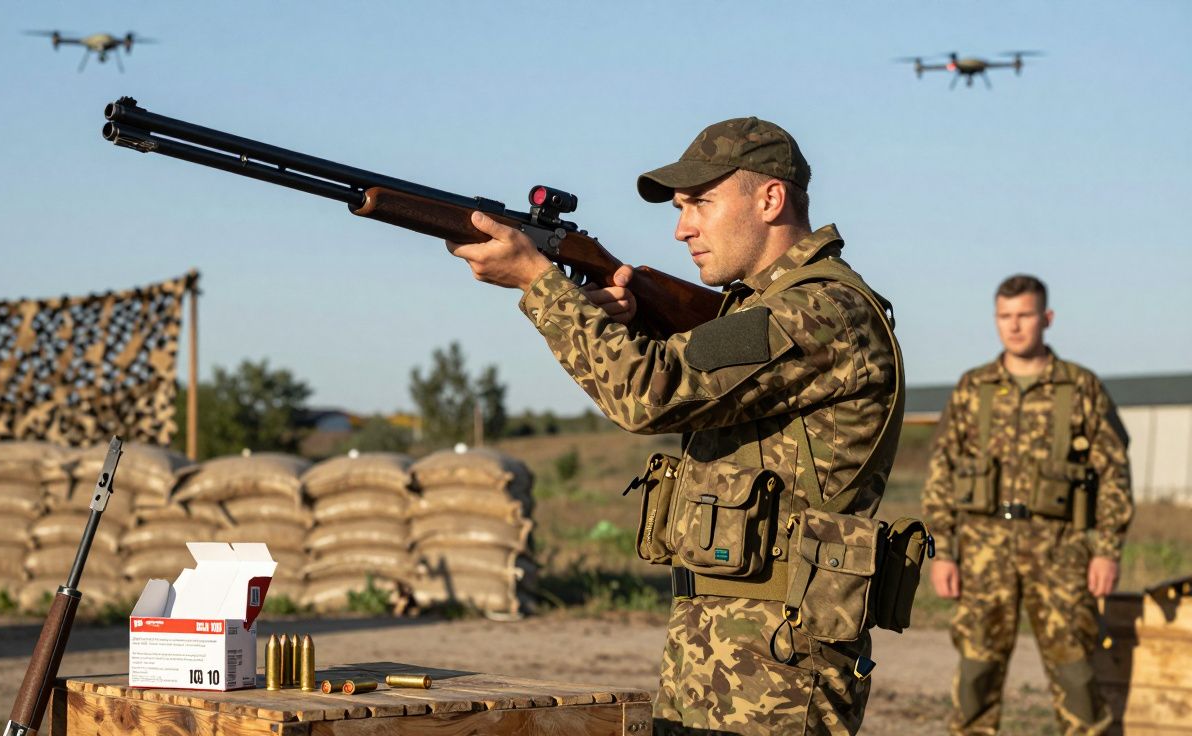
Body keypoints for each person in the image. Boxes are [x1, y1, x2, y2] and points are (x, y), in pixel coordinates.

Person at [446, 117, 903, 735]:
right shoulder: (762, 308)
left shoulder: (821, 309)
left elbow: (648, 394)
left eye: (701, 203)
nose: (682, 227)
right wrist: (627, 322)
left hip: (780, 671)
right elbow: (686, 378)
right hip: (723, 648)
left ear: (770, 199)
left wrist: (540, 284)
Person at [922, 274, 1133, 735]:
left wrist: (1107, 548)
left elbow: (1114, 470)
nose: (1014, 326)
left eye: (1024, 315)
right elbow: (942, 470)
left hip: (1061, 550)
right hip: (983, 553)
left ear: (1047, 318)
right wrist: (945, 552)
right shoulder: (973, 388)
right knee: (976, 676)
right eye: (1005, 316)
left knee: (1076, 674)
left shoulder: (1079, 387)